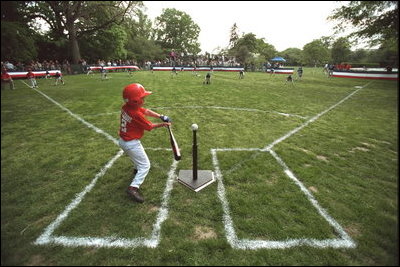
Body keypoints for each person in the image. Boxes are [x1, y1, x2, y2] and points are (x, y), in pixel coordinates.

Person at [119, 83, 172, 203]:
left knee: (137, 158)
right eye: (142, 98)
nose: (144, 99)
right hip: (131, 142)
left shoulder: (126, 106)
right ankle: (133, 188)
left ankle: (136, 169)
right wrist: (164, 124)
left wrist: (161, 116)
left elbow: (145, 111)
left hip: (123, 140)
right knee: (145, 165)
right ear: (135, 101)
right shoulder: (136, 114)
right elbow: (149, 126)